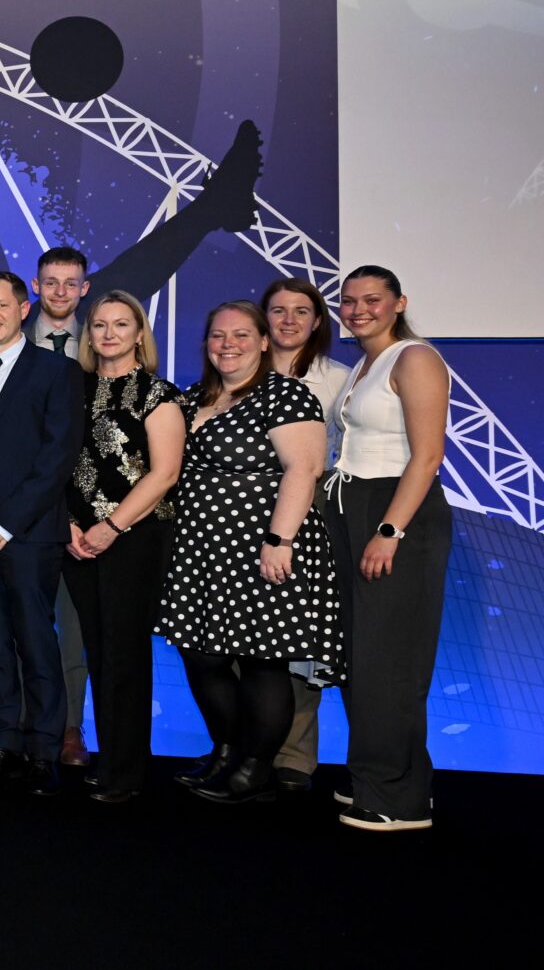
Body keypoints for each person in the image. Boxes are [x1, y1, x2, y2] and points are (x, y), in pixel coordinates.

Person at [159, 300, 343, 803]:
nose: (228, 345)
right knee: (201, 655)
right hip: (200, 550)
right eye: (218, 336)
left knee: (263, 661)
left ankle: (255, 766)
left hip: (263, 546)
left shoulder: (285, 395)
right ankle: (227, 748)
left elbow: (303, 470)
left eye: (241, 335)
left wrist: (279, 541)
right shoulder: (194, 397)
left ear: (264, 342)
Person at [0, 269, 83, 797]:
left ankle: (43, 748)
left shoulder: (57, 372)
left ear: (23, 308)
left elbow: (57, 459)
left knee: (34, 642)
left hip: (27, 537)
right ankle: (4, 739)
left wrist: (5, 524)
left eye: (1, 305)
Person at [327, 266, 452, 832]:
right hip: (355, 509)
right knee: (365, 660)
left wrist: (390, 530)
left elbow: (426, 456)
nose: (358, 310)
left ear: (398, 302)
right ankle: (379, 783)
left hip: (395, 515)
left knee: (391, 661)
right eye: (349, 301)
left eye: (372, 300)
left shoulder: (415, 358)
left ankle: (398, 801)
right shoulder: (366, 363)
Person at [62, 291, 184, 803]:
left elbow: (165, 473)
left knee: (125, 655)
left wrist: (111, 526)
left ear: (139, 334)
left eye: (121, 324)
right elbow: (58, 463)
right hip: (77, 540)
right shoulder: (73, 390)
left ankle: (127, 771)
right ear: (88, 335)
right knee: (98, 650)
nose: (108, 334)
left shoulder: (158, 394)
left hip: (134, 537)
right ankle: (109, 759)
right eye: (99, 325)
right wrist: (69, 523)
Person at [261, 276, 352, 791]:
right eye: (278, 310)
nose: (289, 320)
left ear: (318, 321)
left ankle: (294, 757)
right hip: (241, 516)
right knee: (240, 637)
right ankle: (248, 746)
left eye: (302, 311)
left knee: (297, 638)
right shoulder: (237, 373)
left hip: (310, 516)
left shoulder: (341, 380)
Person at [34, 245, 94, 767]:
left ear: (84, 289)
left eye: (69, 283)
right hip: (22, 512)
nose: (59, 292)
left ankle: (70, 728)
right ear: (35, 285)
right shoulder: (5, 341)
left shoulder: (101, 348)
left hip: (83, 515)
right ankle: (31, 723)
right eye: (50, 281)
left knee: (72, 628)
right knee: (22, 625)